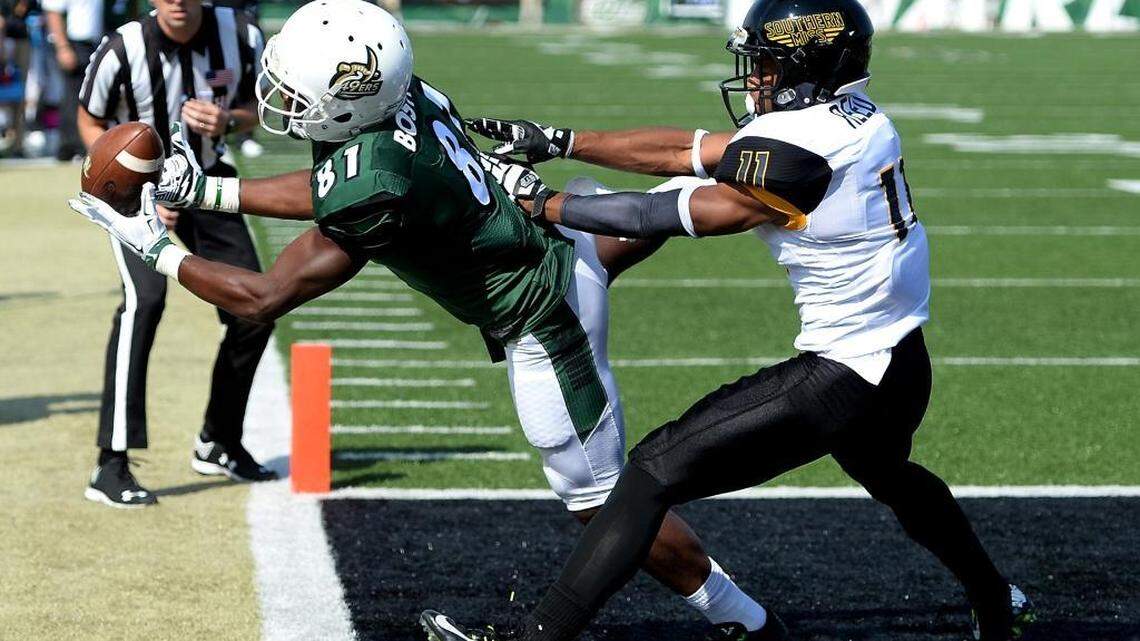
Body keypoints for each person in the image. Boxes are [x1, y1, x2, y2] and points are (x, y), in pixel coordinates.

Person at [68, 0, 781, 637]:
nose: (281, 97)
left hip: (543, 317)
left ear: (350, 97)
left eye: (299, 90)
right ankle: (731, 177)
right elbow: (326, 186)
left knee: (601, 503)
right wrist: (213, 193)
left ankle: (742, 617)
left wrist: (154, 245)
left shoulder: (373, 184)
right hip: (546, 239)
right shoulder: (398, 94)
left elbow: (262, 295)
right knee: (631, 223)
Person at [421, 0, 1037, 640]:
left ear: (807, 65)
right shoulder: (851, 119)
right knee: (892, 476)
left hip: (844, 375)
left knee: (648, 477)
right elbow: (687, 151)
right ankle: (996, 600)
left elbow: (657, 216)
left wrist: (540, 203)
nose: (756, 79)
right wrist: (564, 141)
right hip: (902, 362)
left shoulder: (804, 152)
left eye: (767, 64)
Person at [78, 0, 275, 509]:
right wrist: (131, 187)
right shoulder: (123, 47)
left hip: (206, 183)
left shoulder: (241, 34)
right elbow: (89, 118)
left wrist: (230, 120)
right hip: (135, 200)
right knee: (145, 301)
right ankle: (111, 461)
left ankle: (219, 440)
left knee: (255, 309)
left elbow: (263, 109)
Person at [41, 0, 102, 160]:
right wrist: (62, 47)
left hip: (98, 42)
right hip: (75, 43)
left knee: (93, 97)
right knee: (73, 96)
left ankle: (85, 145)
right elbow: (53, 12)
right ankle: (71, 147)